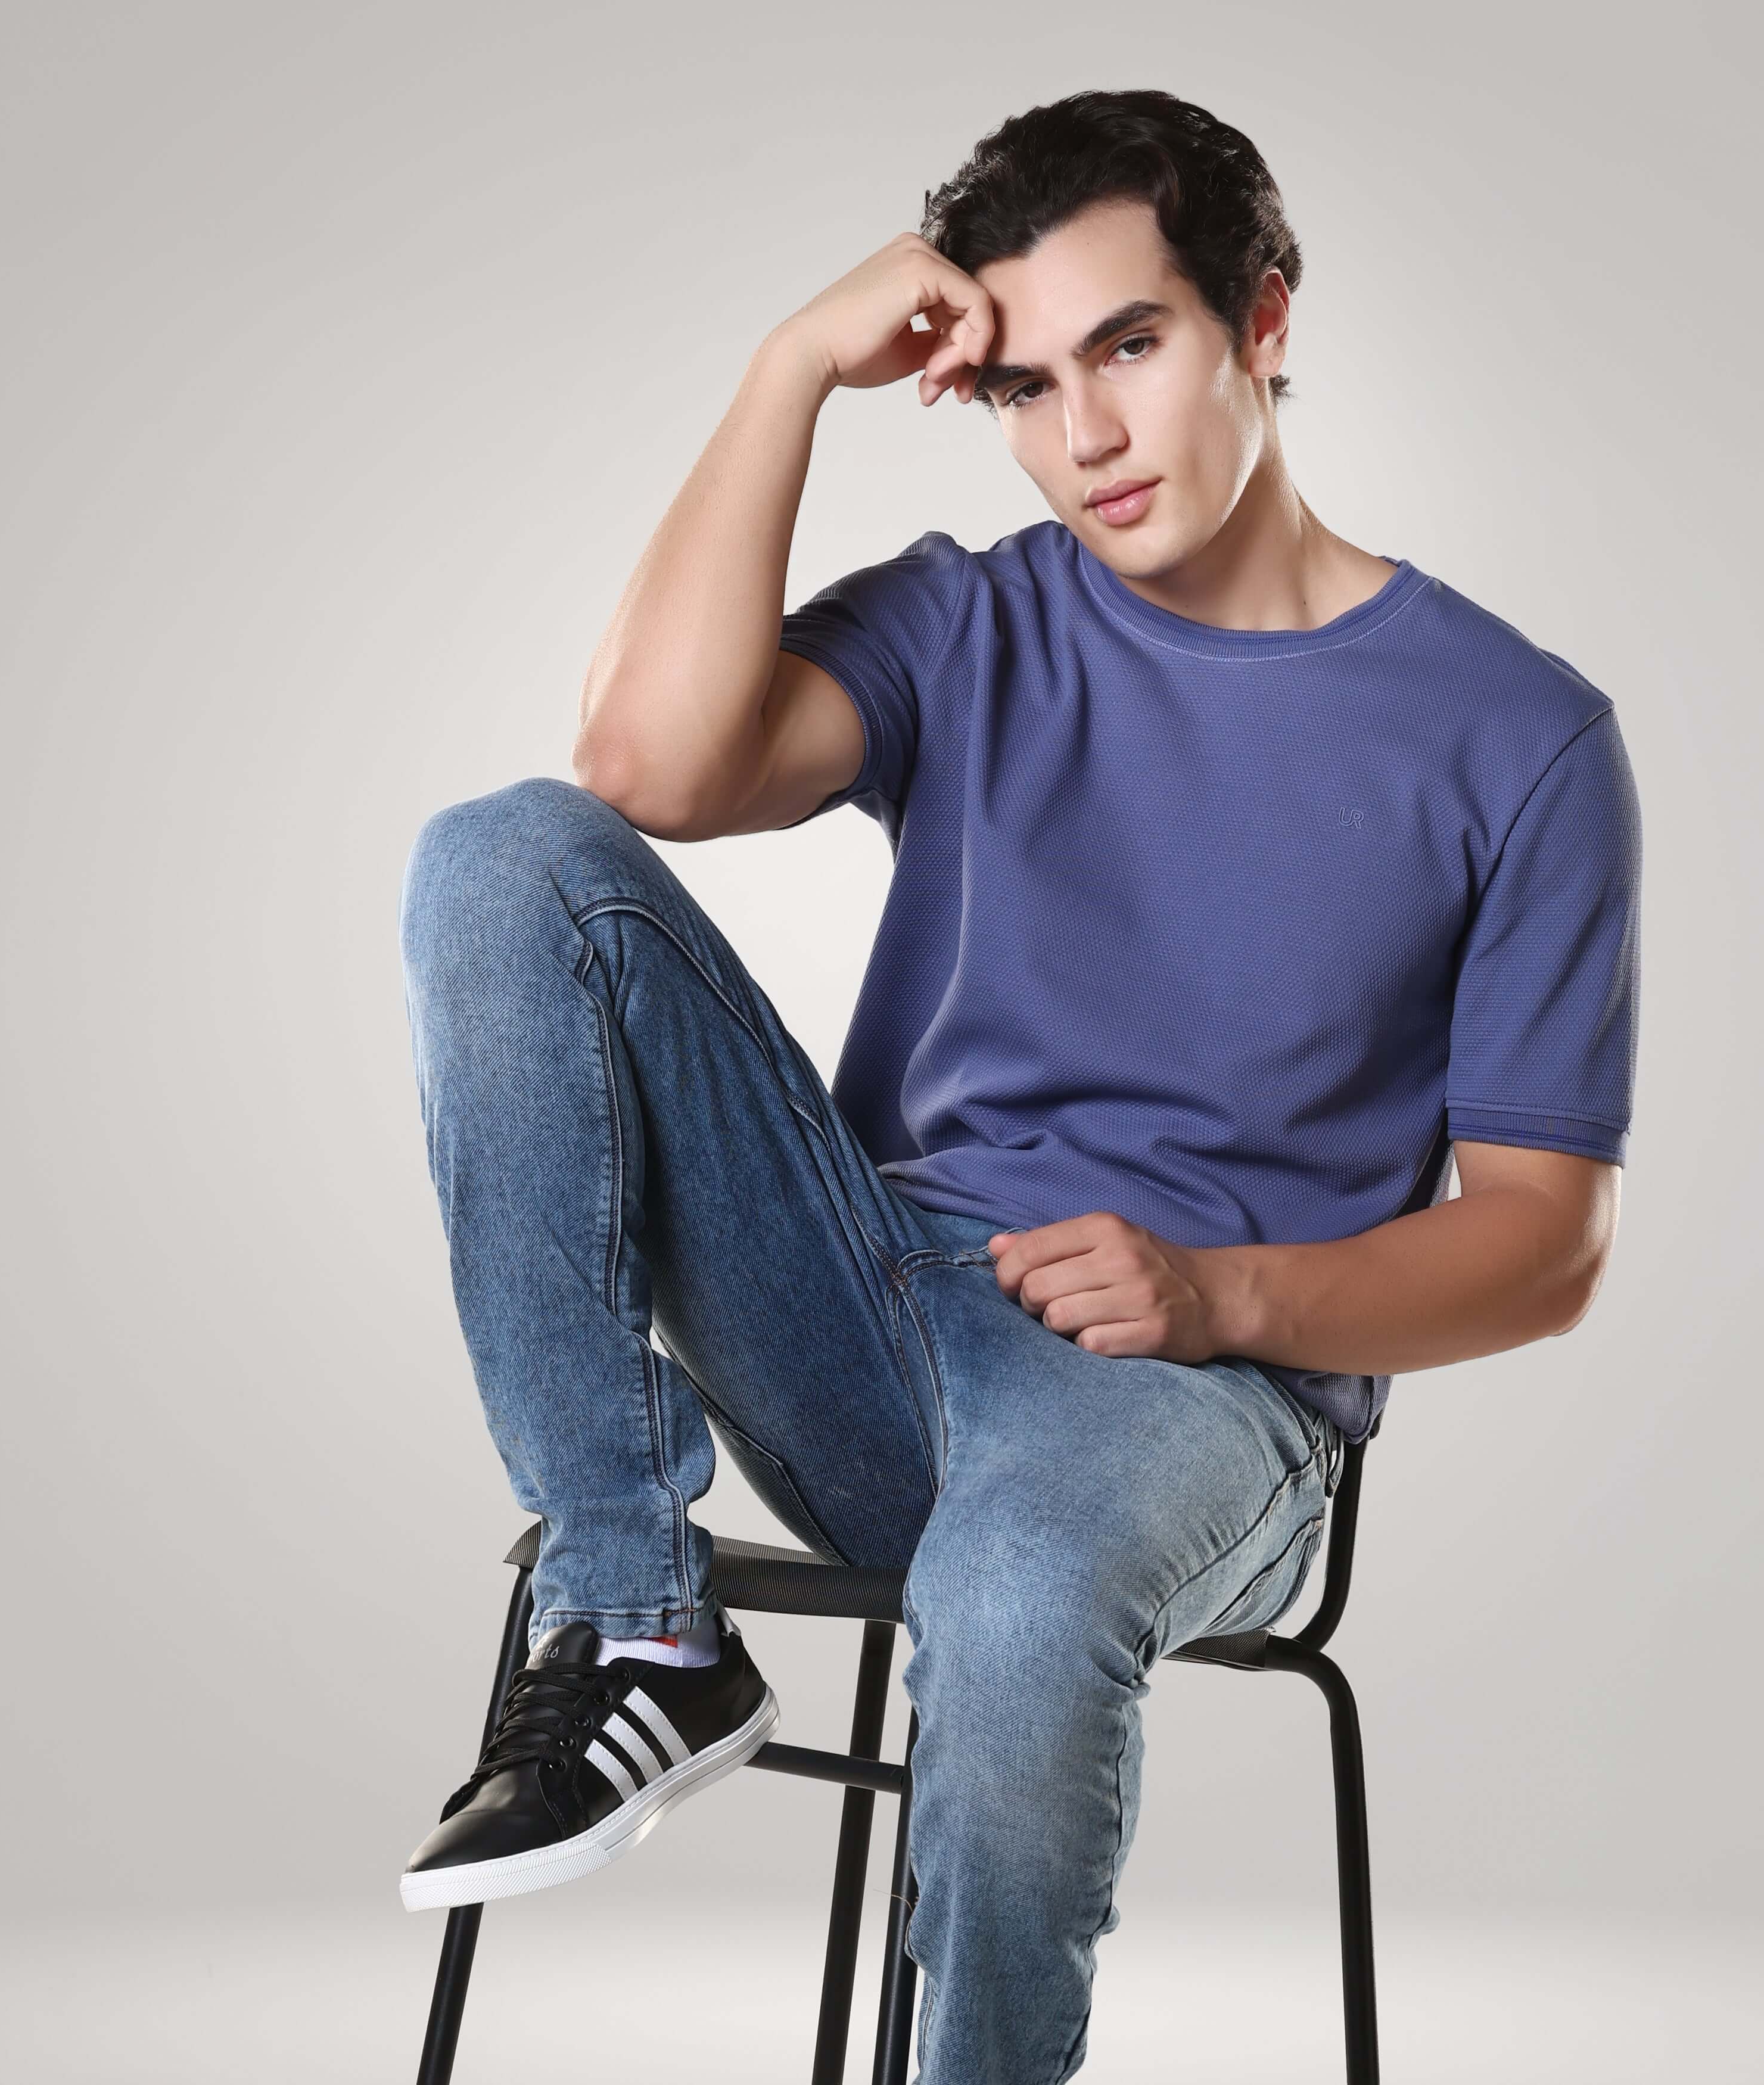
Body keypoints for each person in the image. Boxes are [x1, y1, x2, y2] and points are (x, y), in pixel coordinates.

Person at [396, 86, 1639, 2082]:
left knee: (1018, 1576)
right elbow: (646, 771)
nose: (1085, 437)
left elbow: (1542, 1242)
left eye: (1130, 348)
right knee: (505, 854)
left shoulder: (1521, 737)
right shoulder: (978, 617)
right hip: (879, 1309)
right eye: (1029, 386)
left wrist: (1226, 1293)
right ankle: (638, 1625)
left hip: (1206, 1395)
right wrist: (791, 368)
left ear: (1263, 318)